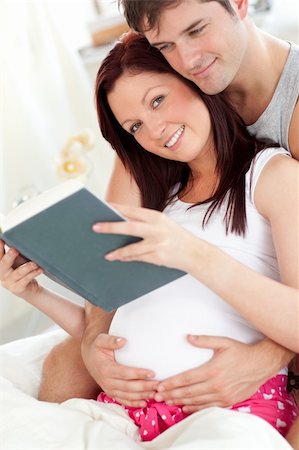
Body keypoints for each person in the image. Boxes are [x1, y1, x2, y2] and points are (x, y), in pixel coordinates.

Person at [0, 32, 298, 442]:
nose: (155, 130)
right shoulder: (163, 202)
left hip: (229, 410)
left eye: (157, 100)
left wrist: (192, 253)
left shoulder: (272, 176)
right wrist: (35, 294)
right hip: (131, 413)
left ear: (191, 80)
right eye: (135, 125)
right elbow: (111, 326)